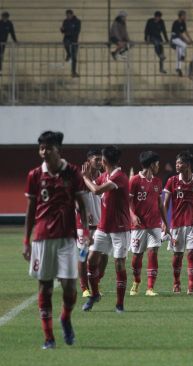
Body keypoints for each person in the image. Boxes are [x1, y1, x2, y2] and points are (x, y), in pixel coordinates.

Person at [23, 131, 88, 349]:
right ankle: (49, 338)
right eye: (41, 148)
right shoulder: (34, 175)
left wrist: (85, 231)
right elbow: (31, 210)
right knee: (45, 288)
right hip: (42, 239)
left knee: (70, 288)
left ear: (57, 149)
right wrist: (26, 241)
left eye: (47, 148)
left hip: (66, 239)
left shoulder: (72, 172)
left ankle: (65, 317)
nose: (43, 152)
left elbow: (82, 202)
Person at [82, 146, 131, 313]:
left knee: (119, 264)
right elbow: (89, 186)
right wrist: (87, 179)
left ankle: (119, 304)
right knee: (91, 259)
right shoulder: (105, 175)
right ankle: (95, 294)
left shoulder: (119, 177)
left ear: (105, 161)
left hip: (120, 228)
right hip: (103, 228)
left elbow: (95, 190)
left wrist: (84, 177)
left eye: (101, 158)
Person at [163, 151, 193, 295]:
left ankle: (191, 286)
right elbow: (165, 204)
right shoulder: (172, 181)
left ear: (188, 165)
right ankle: (176, 282)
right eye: (176, 163)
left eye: (180, 163)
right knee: (177, 256)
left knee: (192, 254)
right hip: (177, 224)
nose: (177, 165)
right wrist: (164, 223)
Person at [128, 151, 169, 297]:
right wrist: (132, 216)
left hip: (154, 224)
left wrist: (166, 223)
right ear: (152, 165)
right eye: (157, 164)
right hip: (139, 225)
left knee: (153, 253)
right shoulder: (134, 180)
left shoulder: (158, 181)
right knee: (137, 256)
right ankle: (136, 282)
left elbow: (160, 204)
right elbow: (126, 202)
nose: (159, 167)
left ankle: (150, 288)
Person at [75, 149, 105, 298]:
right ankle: (84, 287)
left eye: (101, 159)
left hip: (101, 225)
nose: (100, 162)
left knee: (103, 257)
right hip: (84, 226)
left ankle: (96, 281)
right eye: (96, 159)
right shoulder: (81, 178)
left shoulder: (104, 177)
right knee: (83, 255)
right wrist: (81, 211)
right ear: (88, 161)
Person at [171, 11, 193, 77]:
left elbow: (185, 31)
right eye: (184, 15)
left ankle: (178, 69)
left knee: (178, 54)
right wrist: (186, 41)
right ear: (181, 16)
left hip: (179, 39)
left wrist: (190, 39)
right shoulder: (176, 22)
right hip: (174, 38)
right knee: (184, 45)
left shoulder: (183, 22)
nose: (185, 17)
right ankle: (183, 56)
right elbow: (180, 34)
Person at [60, 10, 81, 78]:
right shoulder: (65, 21)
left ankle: (73, 72)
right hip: (67, 39)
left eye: (68, 15)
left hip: (74, 41)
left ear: (72, 15)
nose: (67, 17)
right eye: (67, 15)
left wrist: (68, 32)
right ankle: (68, 54)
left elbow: (77, 31)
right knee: (66, 43)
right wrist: (62, 29)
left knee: (74, 58)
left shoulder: (77, 21)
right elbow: (63, 31)